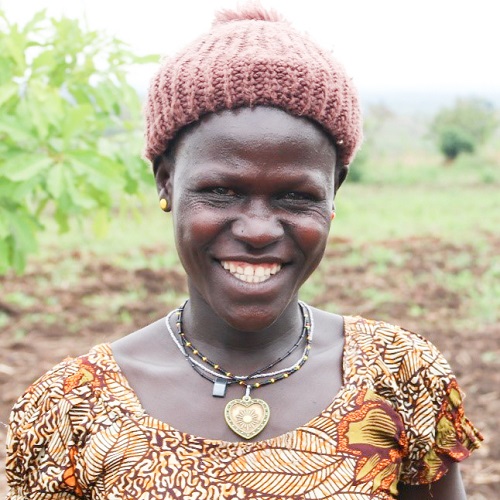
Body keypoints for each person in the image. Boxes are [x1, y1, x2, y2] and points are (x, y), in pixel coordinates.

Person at [6, 4, 482, 499]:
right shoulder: (73, 409)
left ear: (334, 193)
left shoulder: (400, 376)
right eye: (221, 191)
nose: (257, 230)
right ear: (167, 182)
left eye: (295, 196)